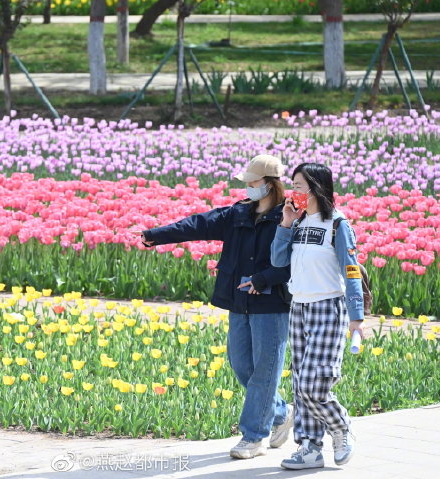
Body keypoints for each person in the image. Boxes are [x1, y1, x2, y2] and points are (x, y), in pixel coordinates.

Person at [140, 154, 294, 460]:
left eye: (254, 182)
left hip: (272, 304)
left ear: (271, 184)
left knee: (264, 373)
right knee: (242, 366)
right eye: (248, 182)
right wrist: (155, 235)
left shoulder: (289, 217)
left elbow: (296, 263)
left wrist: (263, 280)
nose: (249, 187)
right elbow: (197, 224)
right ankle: (280, 412)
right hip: (239, 301)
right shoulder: (237, 214)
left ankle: (254, 437)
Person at [270, 162, 364, 470]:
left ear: (316, 189)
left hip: (328, 307)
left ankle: (340, 427)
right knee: (300, 383)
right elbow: (278, 259)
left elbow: (351, 271)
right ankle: (309, 448)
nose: (292, 192)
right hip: (299, 306)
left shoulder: (338, 224)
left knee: (315, 383)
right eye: (292, 186)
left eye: (298, 186)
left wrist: (356, 317)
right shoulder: (296, 223)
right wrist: (284, 225)